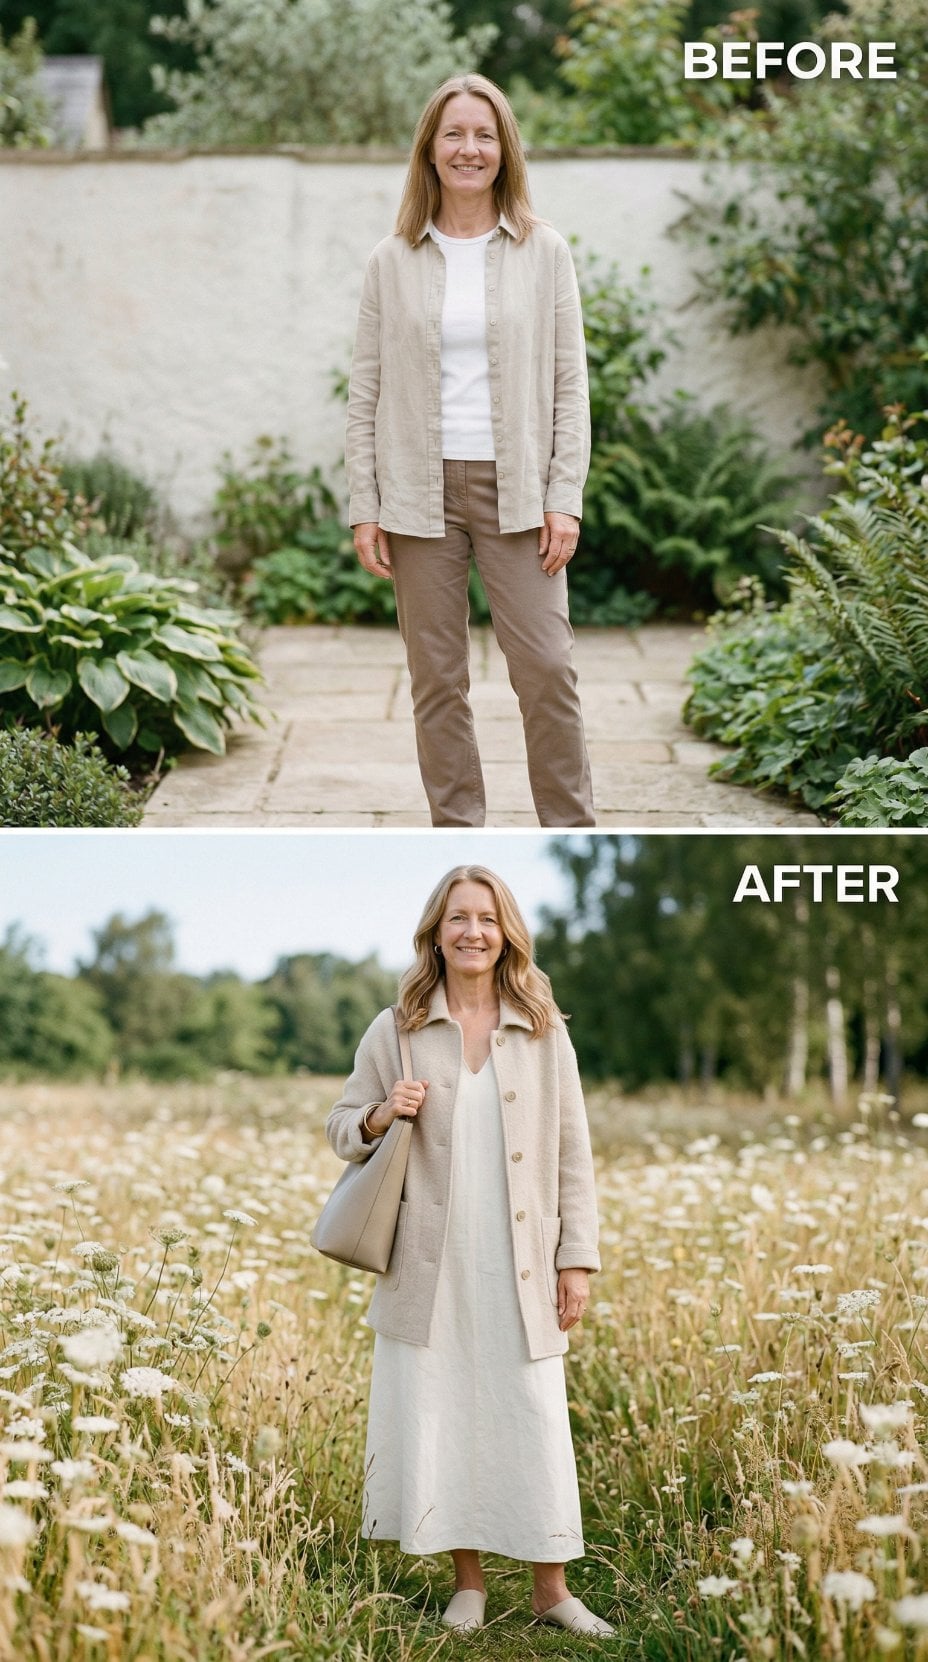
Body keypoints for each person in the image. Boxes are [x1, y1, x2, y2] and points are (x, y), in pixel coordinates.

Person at [325, 865, 614, 1635]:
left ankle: (552, 1589)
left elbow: (574, 1155)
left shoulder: (545, 1030)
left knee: (532, 1413)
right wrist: (384, 1113)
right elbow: (339, 1125)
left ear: (506, 932)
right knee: (443, 1410)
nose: (473, 931)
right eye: (458, 918)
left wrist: (575, 1258)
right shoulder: (397, 1029)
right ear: (436, 932)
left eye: (487, 918)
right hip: (431, 1263)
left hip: (523, 1259)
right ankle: (470, 1584)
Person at [345, 74, 595, 829]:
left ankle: (571, 823)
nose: (469, 148)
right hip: (417, 496)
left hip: (518, 489)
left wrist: (564, 496)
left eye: (483, 135)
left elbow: (570, 384)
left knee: (548, 669)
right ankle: (455, 827)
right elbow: (364, 392)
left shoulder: (543, 251)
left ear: (504, 150)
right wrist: (367, 505)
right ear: (430, 149)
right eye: (453, 134)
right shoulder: (390, 261)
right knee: (437, 681)